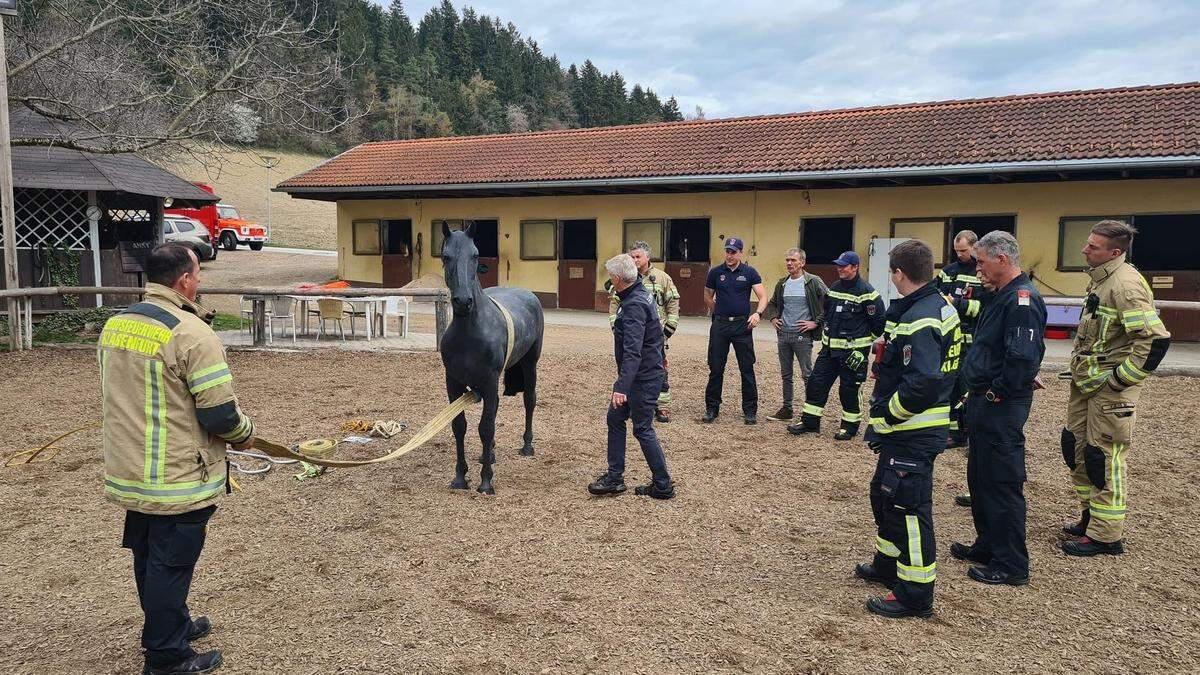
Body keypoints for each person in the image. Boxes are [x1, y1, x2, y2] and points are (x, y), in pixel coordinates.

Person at [99, 243, 255, 675]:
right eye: (198, 272)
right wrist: (245, 434)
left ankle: (172, 624)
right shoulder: (192, 333)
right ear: (185, 280)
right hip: (176, 476)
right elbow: (220, 413)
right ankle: (166, 656)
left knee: (149, 559)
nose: (199, 279)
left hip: (131, 471)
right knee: (172, 564)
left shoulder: (117, 325)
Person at [855, 239, 962, 619]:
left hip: (913, 428)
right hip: (912, 429)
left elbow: (924, 382)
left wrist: (887, 417)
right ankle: (887, 565)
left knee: (910, 508)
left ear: (898, 273)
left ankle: (915, 594)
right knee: (884, 494)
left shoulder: (923, 315)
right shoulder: (935, 306)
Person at [1061, 220, 1171, 556]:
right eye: (1087, 243)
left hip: (1109, 389)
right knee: (1075, 448)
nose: (1084, 249)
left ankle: (1106, 536)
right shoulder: (1102, 280)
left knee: (1103, 457)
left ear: (1115, 252)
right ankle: (1091, 517)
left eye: (1093, 246)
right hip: (1087, 382)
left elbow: (1153, 340)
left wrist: (1120, 380)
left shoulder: (1125, 286)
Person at [947, 231, 1045, 586]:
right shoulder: (1000, 295)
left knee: (1002, 482)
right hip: (984, 402)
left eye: (982, 262)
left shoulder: (1021, 299)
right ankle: (987, 544)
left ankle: (1011, 564)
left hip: (998, 406)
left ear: (1002, 260)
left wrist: (996, 393)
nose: (978, 270)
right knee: (981, 477)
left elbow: (1021, 356)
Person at [589, 253, 675, 499]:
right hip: (643, 374)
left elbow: (633, 352)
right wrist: (660, 356)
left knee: (643, 429)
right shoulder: (642, 293)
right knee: (615, 420)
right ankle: (615, 477)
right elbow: (657, 331)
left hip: (641, 379)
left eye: (610, 276)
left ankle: (663, 484)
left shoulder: (635, 303)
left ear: (617, 279)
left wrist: (622, 388)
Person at [787, 251, 885, 440]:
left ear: (855, 267)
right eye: (838, 265)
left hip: (853, 353)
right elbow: (827, 312)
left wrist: (862, 351)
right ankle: (810, 422)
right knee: (816, 384)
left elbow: (878, 324)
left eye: (844, 265)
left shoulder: (867, 292)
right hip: (829, 350)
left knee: (849, 390)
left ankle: (849, 427)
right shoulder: (834, 287)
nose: (839, 268)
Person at [608, 241, 680, 422]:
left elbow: (673, 303)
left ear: (648, 257)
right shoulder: (625, 278)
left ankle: (662, 407)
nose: (634, 260)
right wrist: (617, 328)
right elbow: (614, 305)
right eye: (632, 257)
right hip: (633, 335)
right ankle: (632, 402)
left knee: (659, 370)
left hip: (656, 336)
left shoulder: (662, 278)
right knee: (630, 367)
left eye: (638, 256)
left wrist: (668, 329)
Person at [703, 236, 768, 424]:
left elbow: (763, 296)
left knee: (746, 368)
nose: (729, 255)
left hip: (742, 326)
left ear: (741, 253)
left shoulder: (750, 273)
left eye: (733, 252)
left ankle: (750, 410)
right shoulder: (715, 272)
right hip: (720, 325)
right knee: (715, 368)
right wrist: (719, 312)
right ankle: (712, 408)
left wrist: (758, 314)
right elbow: (707, 295)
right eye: (727, 251)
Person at [763, 247, 828, 421]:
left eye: (793, 260)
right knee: (786, 374)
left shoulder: (813, 281)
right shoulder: (782, 283)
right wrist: (774, 318)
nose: (789, 263)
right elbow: (773, 303)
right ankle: (787, 409)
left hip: (802, 336)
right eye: (787, 260)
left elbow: (830, 301)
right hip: (783, 335)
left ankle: (810, 412)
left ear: (802, 262)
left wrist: (816, 322)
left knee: (807, 374)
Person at [939, 230, 986, 451]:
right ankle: (954, 432)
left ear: (975, 247)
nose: (960, 255)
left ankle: (969, 434)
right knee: (950, 386)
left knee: (968, 389)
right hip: (950, 339)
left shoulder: (983, 272)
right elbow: (934, 295)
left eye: (964, 251)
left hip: (973, 342)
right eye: (957, 251)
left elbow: (984, 308)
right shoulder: (949, 271)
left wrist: (956, 303)